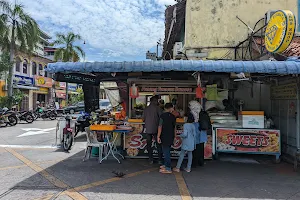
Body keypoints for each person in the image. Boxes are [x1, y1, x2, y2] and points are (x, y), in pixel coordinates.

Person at [142, 96, 163, 164]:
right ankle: (160, 159)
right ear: (155, 101)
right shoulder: (158, 108)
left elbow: (143, 119)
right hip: (156, 129)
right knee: (158, 144)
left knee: (149, 144)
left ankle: (150, 159)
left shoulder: (146, 109)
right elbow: (162, 118)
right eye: (157, 101)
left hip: (148, 129)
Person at [157, 103, 176, 174]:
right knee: (166, 151)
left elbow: (160, 126)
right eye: (172, 108)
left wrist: (158, 136)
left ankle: (168, 168)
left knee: (166, 152)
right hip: (170, 136)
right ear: (170, 108)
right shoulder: (173, 117)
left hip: (164, 136)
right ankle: (166, 165)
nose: (173, 109)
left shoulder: (162, 116)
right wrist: (175, 137)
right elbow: (174, 128)